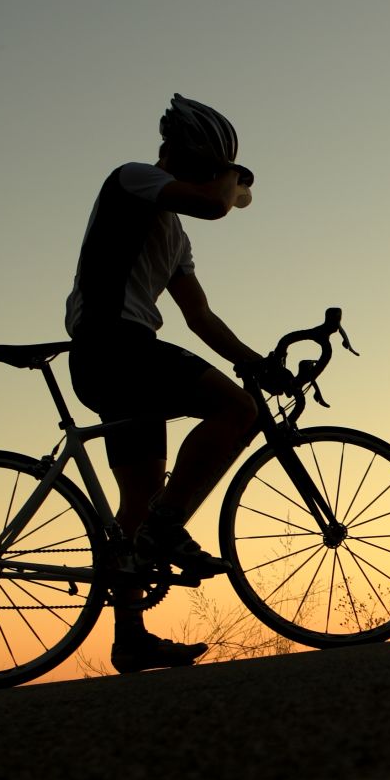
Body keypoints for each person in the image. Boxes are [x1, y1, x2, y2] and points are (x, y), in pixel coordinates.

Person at [64, 94, 264, 672]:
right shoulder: (133, 179)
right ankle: (165, 531)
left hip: (121, 361)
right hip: (116, 346)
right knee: (236, 409)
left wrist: (252, 360)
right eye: (212, 165)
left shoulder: (175, 234)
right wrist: (231, 180)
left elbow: (199, 316)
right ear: (187, 152)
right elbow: (216, 206)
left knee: (138, 502)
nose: (217, 179)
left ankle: (130, 638)